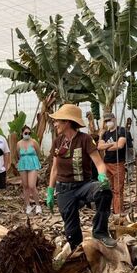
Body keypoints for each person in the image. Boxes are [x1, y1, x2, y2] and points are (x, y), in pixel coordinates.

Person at [46, 104, 117, 250]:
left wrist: (102, 177)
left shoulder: (84, 139)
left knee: (104, 191)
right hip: (64, 190)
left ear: (67, 122)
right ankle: (77, 251)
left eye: (57, 121)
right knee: (72, 234)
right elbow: (54, 169)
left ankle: (100, 232)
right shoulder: (57, 142)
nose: (55, 124)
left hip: (83, 186)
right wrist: (50, 191)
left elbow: (99, 163)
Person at [97, 112, 127, 214]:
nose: (108, 122)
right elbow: (99, 147)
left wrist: (107, 145)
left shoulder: (121, 130)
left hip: (118, 163)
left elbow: (120, 146)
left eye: (109, 120)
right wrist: (112, 144)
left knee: (118, 189)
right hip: (106, 164)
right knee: (106, 189)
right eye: (106, 121)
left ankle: (117, 212)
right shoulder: (105, 134)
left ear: (114, 119)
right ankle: (107, 211)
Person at [16, 125, 42, 215]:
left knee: (32, 185)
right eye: (25, 133)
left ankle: (38, 205)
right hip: (23, 164)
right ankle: (28, 205)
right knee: (25, 186)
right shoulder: (19, 143)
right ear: (22, 133)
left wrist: (35, 160)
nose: (27, 134)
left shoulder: (33, 142)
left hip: (33, 163)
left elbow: (38, 153)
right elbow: (18, 155)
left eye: (29, 133)